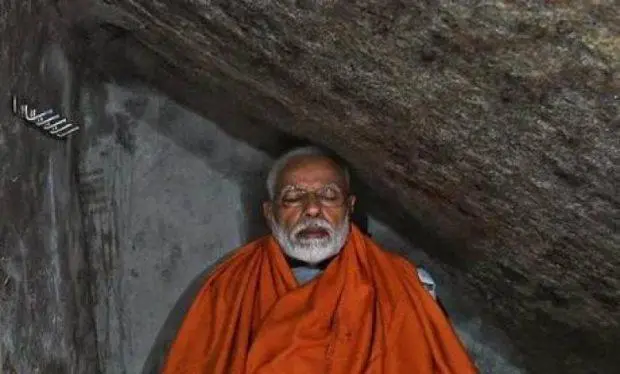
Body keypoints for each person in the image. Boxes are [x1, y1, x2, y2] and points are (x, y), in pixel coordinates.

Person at [161, 146, 477, 373]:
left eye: (328, 195)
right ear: (270, 214)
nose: (312, 209)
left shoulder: (405, 284)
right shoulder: (228, 287)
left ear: (349, 207)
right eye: (294, 197)